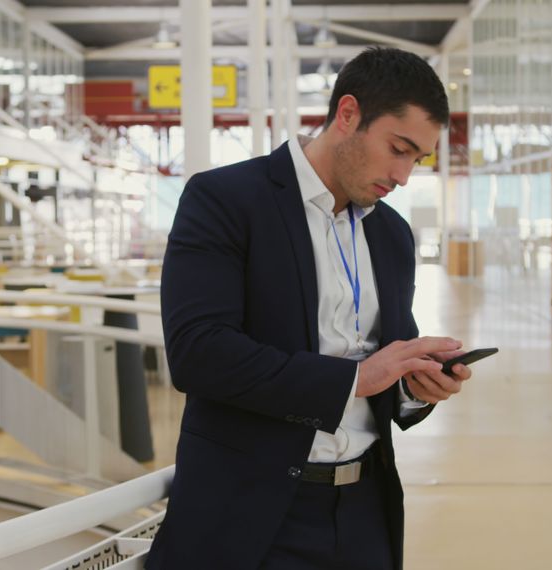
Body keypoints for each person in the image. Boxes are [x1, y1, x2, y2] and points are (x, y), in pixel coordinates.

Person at [148, 47, 472, 570]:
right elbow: (199, 352)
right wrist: (354, 380)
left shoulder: (391, 234)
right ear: (348, 114)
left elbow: (388, 361)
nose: (405, 175)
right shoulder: (225, 200)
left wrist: (414, 387)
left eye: (418, 159)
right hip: (252, 517)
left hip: (366, 512)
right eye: (399, 148)